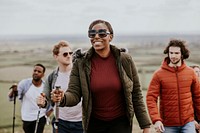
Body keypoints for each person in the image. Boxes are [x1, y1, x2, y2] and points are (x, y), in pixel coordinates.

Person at [41, 19, 151, 133]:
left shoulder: (124, 60)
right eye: (92, 34)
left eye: (102, 33)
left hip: (121, 124)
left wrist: (145, 125)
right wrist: (63, 98)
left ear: (111, 37)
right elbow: (74, 93)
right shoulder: (81, 63)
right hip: (94, 124)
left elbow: (136, 94)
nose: (96, 36)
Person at [146, 39, 200, 133]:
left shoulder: (190, 73)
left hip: (188, 123)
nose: (173, 56)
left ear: (182, 54)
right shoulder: (159, 74)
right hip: (168, 125)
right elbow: (151, 98)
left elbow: (198, 97)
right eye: (171, 53)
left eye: (176, 53)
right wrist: (156, 120)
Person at [37, 40, 83, 133]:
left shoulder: (80, 73)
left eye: (70, 53)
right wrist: (42, 102)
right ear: (56, 56)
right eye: (65, 54)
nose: (69, 56)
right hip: (60, 122)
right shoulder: (51, 77)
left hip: (81, 122)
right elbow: (46, 99)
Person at [8, 63, 49, 133]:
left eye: (39, 72)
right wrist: (13, 91)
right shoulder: (24, 83)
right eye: (35, 70)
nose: (36, 73)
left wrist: (47, 114)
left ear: (43, 75)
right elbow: (11, 98)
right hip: (26, 117)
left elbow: (50, 102)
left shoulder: (45, 86)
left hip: (40, 117)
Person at [190, 65, 200, 132]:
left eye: (199, 71)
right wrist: (192, 120)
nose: (198, 73)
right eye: (196, 71)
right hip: (190, 118)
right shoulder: (187, 88)